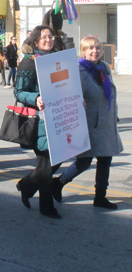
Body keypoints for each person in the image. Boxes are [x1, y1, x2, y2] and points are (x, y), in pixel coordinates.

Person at [53, 36, 123, 209]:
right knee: (84, 161)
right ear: (83, 51)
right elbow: (66, 94)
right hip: (89, 123)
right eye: (91, 48)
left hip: (106, 122)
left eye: (98, 48)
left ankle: (100, 197)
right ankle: (59, 183)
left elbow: (111, 94)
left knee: (105, 159)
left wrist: (115, 114)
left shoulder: (104, 67)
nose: (95, 51)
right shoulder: (77, 70)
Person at [15, 25, 62, 219]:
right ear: (35, 41)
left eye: (51, 36)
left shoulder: (58, 59)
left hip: (60, 116)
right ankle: (46, 207)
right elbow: (19, 92)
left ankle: (26, 184)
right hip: (40, 121)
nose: (48, 40)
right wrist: (36, 98)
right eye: (44, 37)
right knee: (45, 165)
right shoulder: (28, 62)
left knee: (56, 160)